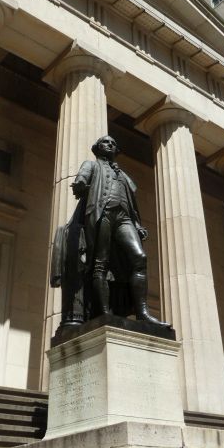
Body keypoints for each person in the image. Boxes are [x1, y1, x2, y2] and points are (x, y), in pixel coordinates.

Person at [70, 135, 168, 326]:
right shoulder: (91, 165)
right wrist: (81, 184)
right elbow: (81, 180)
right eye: (106, 142)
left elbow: (132, 204)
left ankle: (142, 313)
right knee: (101, 263)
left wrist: (137, 225)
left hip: (124, 218)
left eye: (114, 143)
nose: (110, 144)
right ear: (97, 148)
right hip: (101, 213)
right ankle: (105, 313)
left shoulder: (122, 175)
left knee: (139, 258)